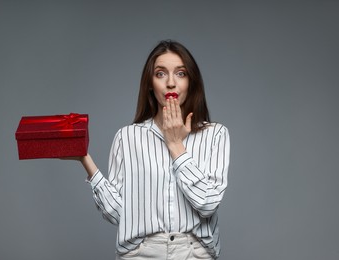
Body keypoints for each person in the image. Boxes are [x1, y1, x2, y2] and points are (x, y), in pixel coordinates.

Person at [68, 40, 230, 259]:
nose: (171, 83)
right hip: (141, 253)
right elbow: (118, 215)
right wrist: (84, 159)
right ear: (150, 84)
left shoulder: (215, 134)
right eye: (161, 74)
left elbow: (208, 203)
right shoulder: (127, 137)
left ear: (191, 82)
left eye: (180, 73)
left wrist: (176, 146)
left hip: (195, 253)